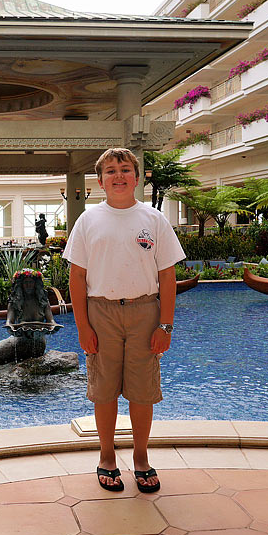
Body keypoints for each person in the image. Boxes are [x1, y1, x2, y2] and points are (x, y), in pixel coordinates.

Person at [62, 147, 185, 494]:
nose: (119, 176)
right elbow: (77, 278)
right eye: (111, 171)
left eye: (125, 169)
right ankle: (106, 457)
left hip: (145, 312)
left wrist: (165, 325)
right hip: (101, 313)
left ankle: (142, 458)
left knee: (142, 392)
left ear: (137, 177)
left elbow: (168, 276)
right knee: (104, 390)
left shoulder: (154, 219)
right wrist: (83, 327)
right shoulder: (88, 221)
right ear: (100, 181)